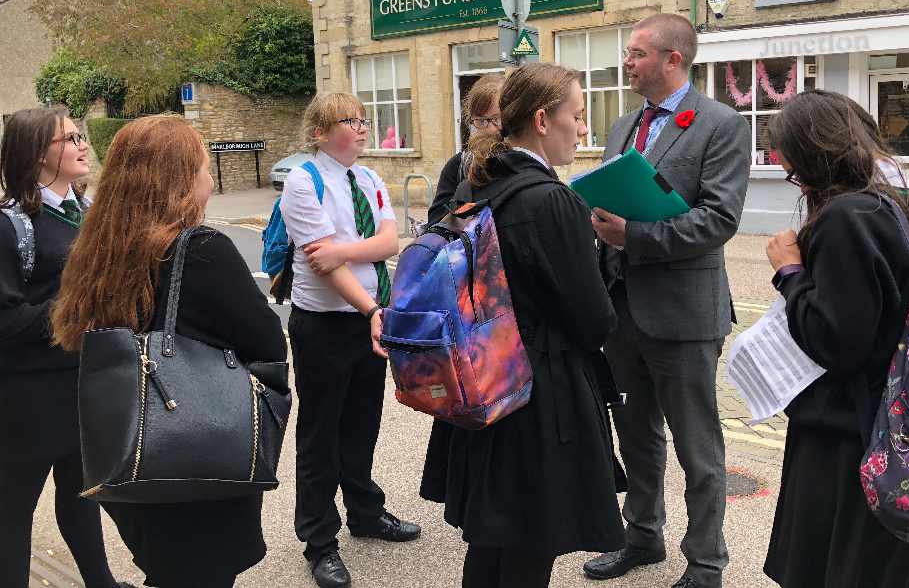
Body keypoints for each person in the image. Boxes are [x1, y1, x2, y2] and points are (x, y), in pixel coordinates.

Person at [50, 115, 288, 588]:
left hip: (128, 452)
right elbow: (266, 340)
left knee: (168, 571)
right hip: (196, 454)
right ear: (179, 180)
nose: (208, 181)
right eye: (203, 169)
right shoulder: (202, 249)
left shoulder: (98, 249)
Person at [420, 62, 626, 588]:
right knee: (530, 551)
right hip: (538, 395)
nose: (583, 129)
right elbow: (593, 320)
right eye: (577, 117)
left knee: (492, 545)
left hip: (485, 383)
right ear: (541, 119)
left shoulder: (478, 183)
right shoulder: (550, 200)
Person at [763, 91, 909, 588]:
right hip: (905, 423)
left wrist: (789, 271)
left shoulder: (845, 218)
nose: (791, 176)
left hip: (847, 437)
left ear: (813, 154)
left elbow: (836, 342)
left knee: (840, 569)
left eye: (791, 163)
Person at [586, 14, 751, 588]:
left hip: (683, 312)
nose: (626, 63)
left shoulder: (721, 124)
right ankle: (643, 537)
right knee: (635, 433)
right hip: (621, 305)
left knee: (698, 447)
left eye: (635, 54)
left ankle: (706, 562)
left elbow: (720, 218)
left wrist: (635, 236)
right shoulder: (625, 123)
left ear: (672, 59)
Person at [279, 93, 420, 588]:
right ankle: (319, 541)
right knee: (320, 434)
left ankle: (365, 512)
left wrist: (345, 251)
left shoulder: (369, 178)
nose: (361, 129)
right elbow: (321, 264)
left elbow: (389, 243)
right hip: (326, 325)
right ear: (319, 132)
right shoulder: (303, 181)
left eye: (364, 120)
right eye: (349, 121)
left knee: (362, 424)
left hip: (369, 322)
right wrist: (370, 306)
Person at [0, 108, 131, 588]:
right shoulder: (12, 225)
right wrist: (77, 310)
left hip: (85, 384)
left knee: (82, 495)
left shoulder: (90, 212)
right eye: (70, 137)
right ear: (38, 153)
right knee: (12, 512)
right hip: (28, 398)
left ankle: (101, 581)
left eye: (81, 135)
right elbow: (6, 320)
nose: (82, 144)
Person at [427, 72, 505, 224]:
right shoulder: (457, 166)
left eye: (497, 119)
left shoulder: (525, 163)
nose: (490, 129)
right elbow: (435, 225)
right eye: (481, 121)